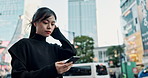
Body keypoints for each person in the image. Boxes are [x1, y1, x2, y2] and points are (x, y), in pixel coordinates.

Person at [8, 7, 77, 78]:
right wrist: (52, 70)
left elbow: (71, 51)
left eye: (53, 24)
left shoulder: (53, 48)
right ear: (35, 23)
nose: (49, 27)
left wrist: (58, 35)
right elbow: (19, 76)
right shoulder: (24, 45)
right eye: (45, 23)